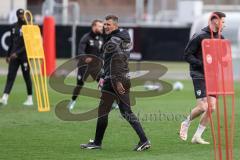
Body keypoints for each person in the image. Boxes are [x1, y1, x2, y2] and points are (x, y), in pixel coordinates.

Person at [80, 15, 150, 151]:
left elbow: (116, 61)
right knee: (125, 112)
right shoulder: (122, 37)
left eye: (108, 24)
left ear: (115, 26)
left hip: (115, 80)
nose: (105, 26)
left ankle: (97, 143)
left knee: (104, 112)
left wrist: (113, 80)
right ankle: (143, 140)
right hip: (120, 78)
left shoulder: (114, 41)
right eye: (104, 24)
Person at [179, 12, 226, 144]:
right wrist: (203, 64)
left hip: (213, 76)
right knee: (203, 107)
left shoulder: (221, 37)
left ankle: (197, 136)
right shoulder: (199, 36)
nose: (224, 24)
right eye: (223, 21)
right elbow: (187, 55)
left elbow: (221, 57)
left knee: (212, 108)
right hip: (199, 74)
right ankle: (185, 123)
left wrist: (223, 60)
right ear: (215, 21)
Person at [67, 20, 104, 110]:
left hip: (95, 66)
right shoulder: (86, 38)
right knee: (80, 84)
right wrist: (86, 58)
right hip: (84, 66)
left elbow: (102, 52)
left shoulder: (101, 38)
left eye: (101, 26)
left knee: (103, 83)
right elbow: (80, 51)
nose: (101, 28)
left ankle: (113, 102)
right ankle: (72, 101)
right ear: (94, 27)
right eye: (99, 26)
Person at [0, 8, 33, 106]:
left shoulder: (28, 27)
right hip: (14, 57)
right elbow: (11, 42)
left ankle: (30, 99)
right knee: (10, 76)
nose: (22, 17)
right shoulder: (13, 26)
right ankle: (5, 98)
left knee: (26, 77)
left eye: (23, 15)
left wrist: (17, 53)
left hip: (24, 56)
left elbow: (28, 44)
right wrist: (8, 54)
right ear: (17, 15)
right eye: (20, 15)